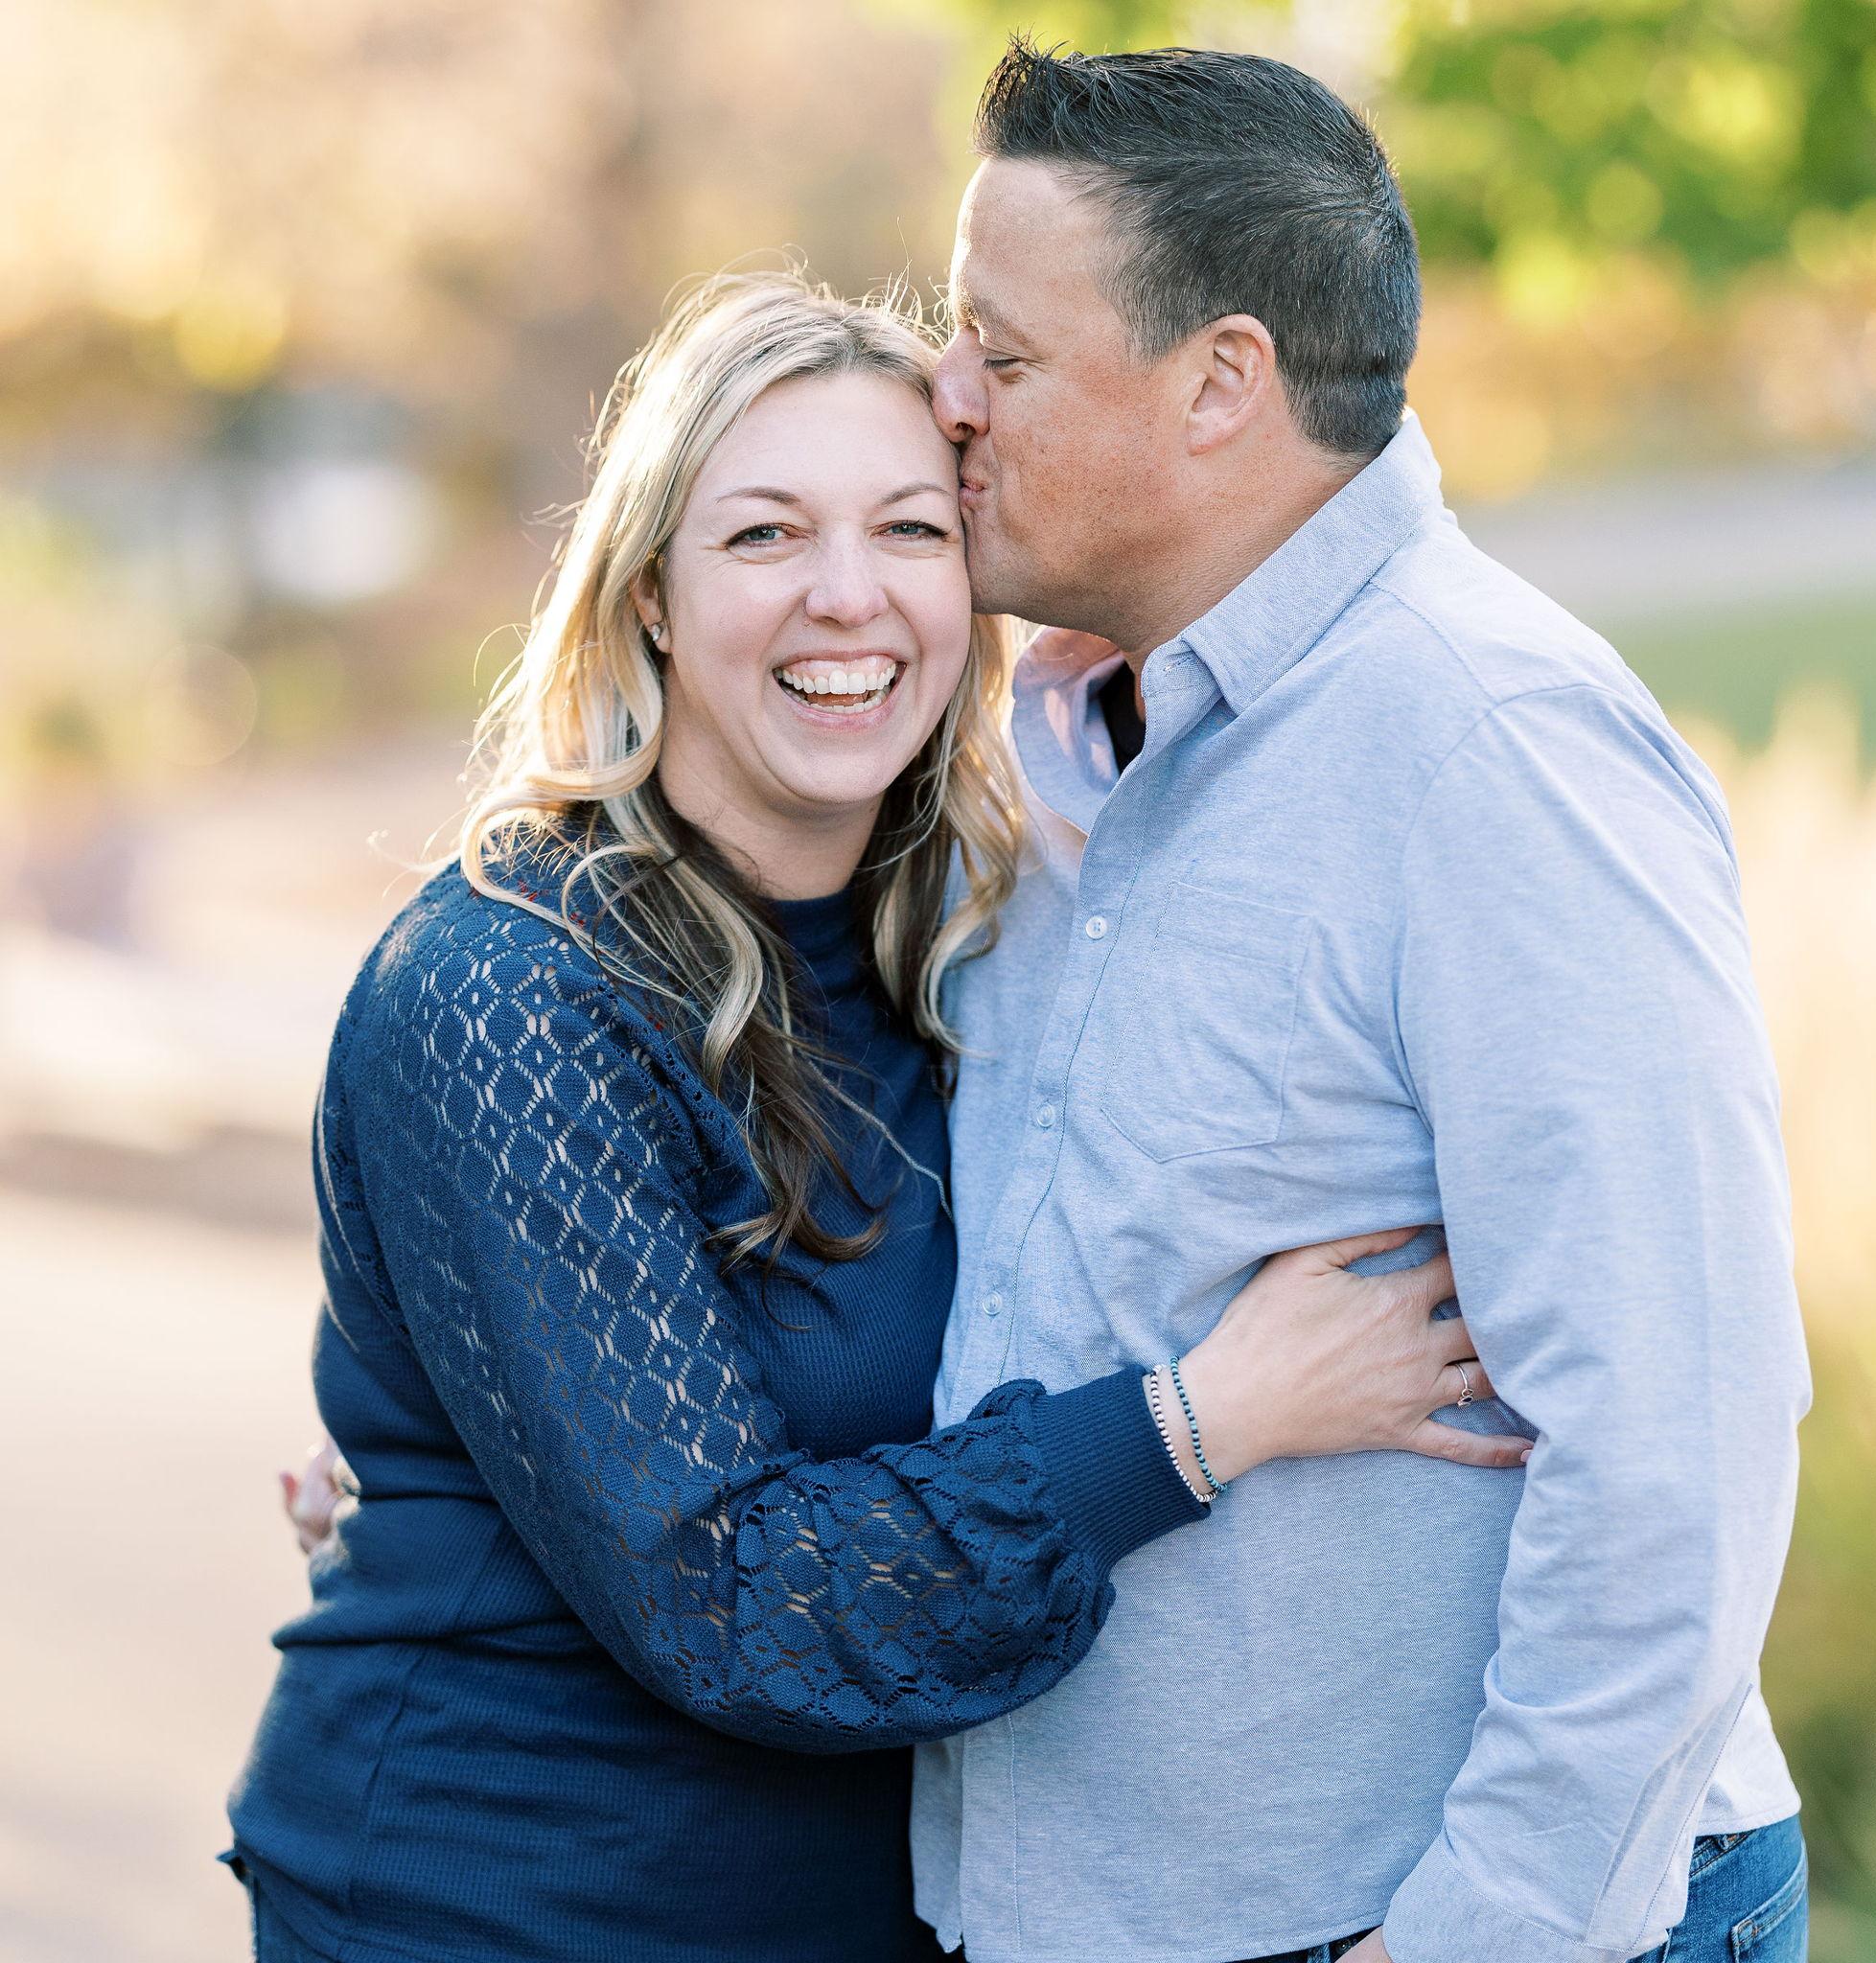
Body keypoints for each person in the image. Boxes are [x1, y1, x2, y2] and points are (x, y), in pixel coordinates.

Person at [226, 274, 1528, 1963]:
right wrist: (1209, 1419)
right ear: (651, 599)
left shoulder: (971, 946)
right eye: (764, 535)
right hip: (502, 1907)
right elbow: (729, 1599)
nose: (847, 595)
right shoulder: (508, 990)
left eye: (910, 529)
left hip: (865, 1913)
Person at [907, 39, 1812, 1963]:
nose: (942, 397)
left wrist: (1478, 1936)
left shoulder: (1491, 747)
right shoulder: (1061, 744)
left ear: (1219, 383)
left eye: (1002, 351)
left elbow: (1678, 1445)